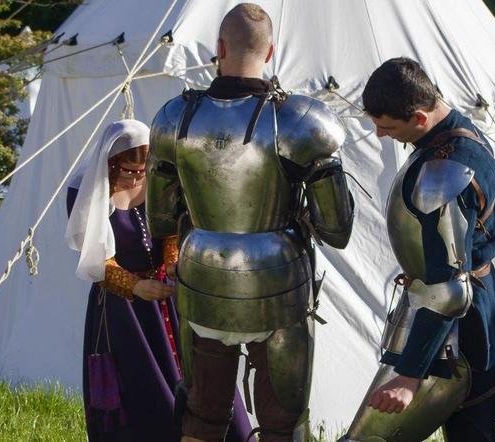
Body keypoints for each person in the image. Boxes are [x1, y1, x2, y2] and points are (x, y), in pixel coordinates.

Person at [146, 4, 355, 441]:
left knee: (202, 415)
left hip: (202, 277)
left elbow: (161, 218)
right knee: (282, 423)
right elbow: (337, 229)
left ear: (218, 48)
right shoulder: (298, 120)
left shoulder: (175, 117)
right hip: (275, 286)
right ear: (272, 51)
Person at [341, 58, 495, 441]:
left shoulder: (446, 170)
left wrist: (409, 375)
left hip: (460, 325)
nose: (381, 135)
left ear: (420, 117)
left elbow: (448, 288)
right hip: (477, 312)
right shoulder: (459, 134)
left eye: (387, 126)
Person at [65, 120, 253, 441]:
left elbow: (171, 229)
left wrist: (172, 260)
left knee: (206, 380)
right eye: (128, 171)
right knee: (146, 398)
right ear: (111, 164)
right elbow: (95, 260)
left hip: (171, 297)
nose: (136, 178)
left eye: (142, 171)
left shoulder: (160, 181)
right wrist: (135, 286)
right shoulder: (85, 192)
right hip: (123, 314)